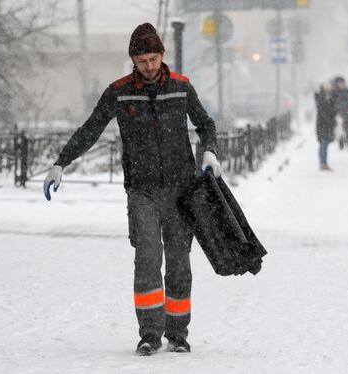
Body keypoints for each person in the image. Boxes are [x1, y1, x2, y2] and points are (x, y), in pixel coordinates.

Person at [43, 23, 221, 355]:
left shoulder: (182, 88)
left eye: (153, 59)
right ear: (133, 61)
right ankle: (150, 334)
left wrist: (209, 150)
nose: (149, 67)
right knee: (148, 258)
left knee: (179, 262)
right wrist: (61, 162)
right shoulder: (119, 92)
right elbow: (91, 128)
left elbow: (205, 123)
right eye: (142, 61)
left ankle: (178, 333)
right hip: (142, 190)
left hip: (181, 191)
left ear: (162, 55)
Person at [314, 82, 337, 171]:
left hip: (329, 124)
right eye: (327, 88)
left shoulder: (331, 98)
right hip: (322, 124)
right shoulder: (320, 97)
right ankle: (323, 163)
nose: (329, 89)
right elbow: (323, 108)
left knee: (325, 144)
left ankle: (323, 163)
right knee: (323, 144)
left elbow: (333, 108)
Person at [332, 76, 348, 149]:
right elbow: (333, 102)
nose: (340, 84)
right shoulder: (335, 92)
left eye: (341, 82)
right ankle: (341, 141)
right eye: (338, 83)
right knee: (340, 129)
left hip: (347, 112)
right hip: (338, 113)